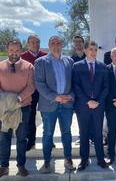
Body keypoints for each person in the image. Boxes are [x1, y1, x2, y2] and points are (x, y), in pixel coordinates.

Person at [34, 36, 75, 173]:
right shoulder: (40, 62)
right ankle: (46, 161)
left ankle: (68, 158)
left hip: (67, 105)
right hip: (49, 104)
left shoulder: (69, 61)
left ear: (62, 45)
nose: (56, 45)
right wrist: (55, 97)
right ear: (49, 45)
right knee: (48, 133)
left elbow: (75, 82)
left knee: (67, 133)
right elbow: (39, 84)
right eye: (53, 43)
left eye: (58, 43)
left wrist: (71, 96)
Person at [0, 39, 35, 177]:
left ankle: (21, 165)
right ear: (7, 50)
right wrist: (5, 100)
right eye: (11, 50)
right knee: (4, 137)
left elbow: (31, 86)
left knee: (21, 138)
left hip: (23, 107)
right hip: (4, 109)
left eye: (17, 50)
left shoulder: (29, 66)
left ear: (21, 50)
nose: (14, 53)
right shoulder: (0, 66)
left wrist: (18, 99)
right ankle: (4, 166)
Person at [73, 41, 109, 170]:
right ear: (85, 50)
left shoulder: (103, 67)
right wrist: (88, 101)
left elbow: (106, 87)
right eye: (90, 49)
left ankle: (101, 159)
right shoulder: (77, 66)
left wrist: (97, 101)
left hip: (98, 106)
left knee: (98, 133)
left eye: (95, 50)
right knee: (84, 134)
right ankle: (84, 160)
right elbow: (76, 86)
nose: (93, 52)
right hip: (83, 106)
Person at [21, 34, 47, 151]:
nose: (35, 44)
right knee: (30, 117)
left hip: (43, 92)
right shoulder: (22, 57)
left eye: (37, 42)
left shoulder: (45, 56)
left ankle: (48, 141)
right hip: (29, 92)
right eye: (32, 42)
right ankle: (31, 141)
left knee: (46, 117)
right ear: (28, 44)